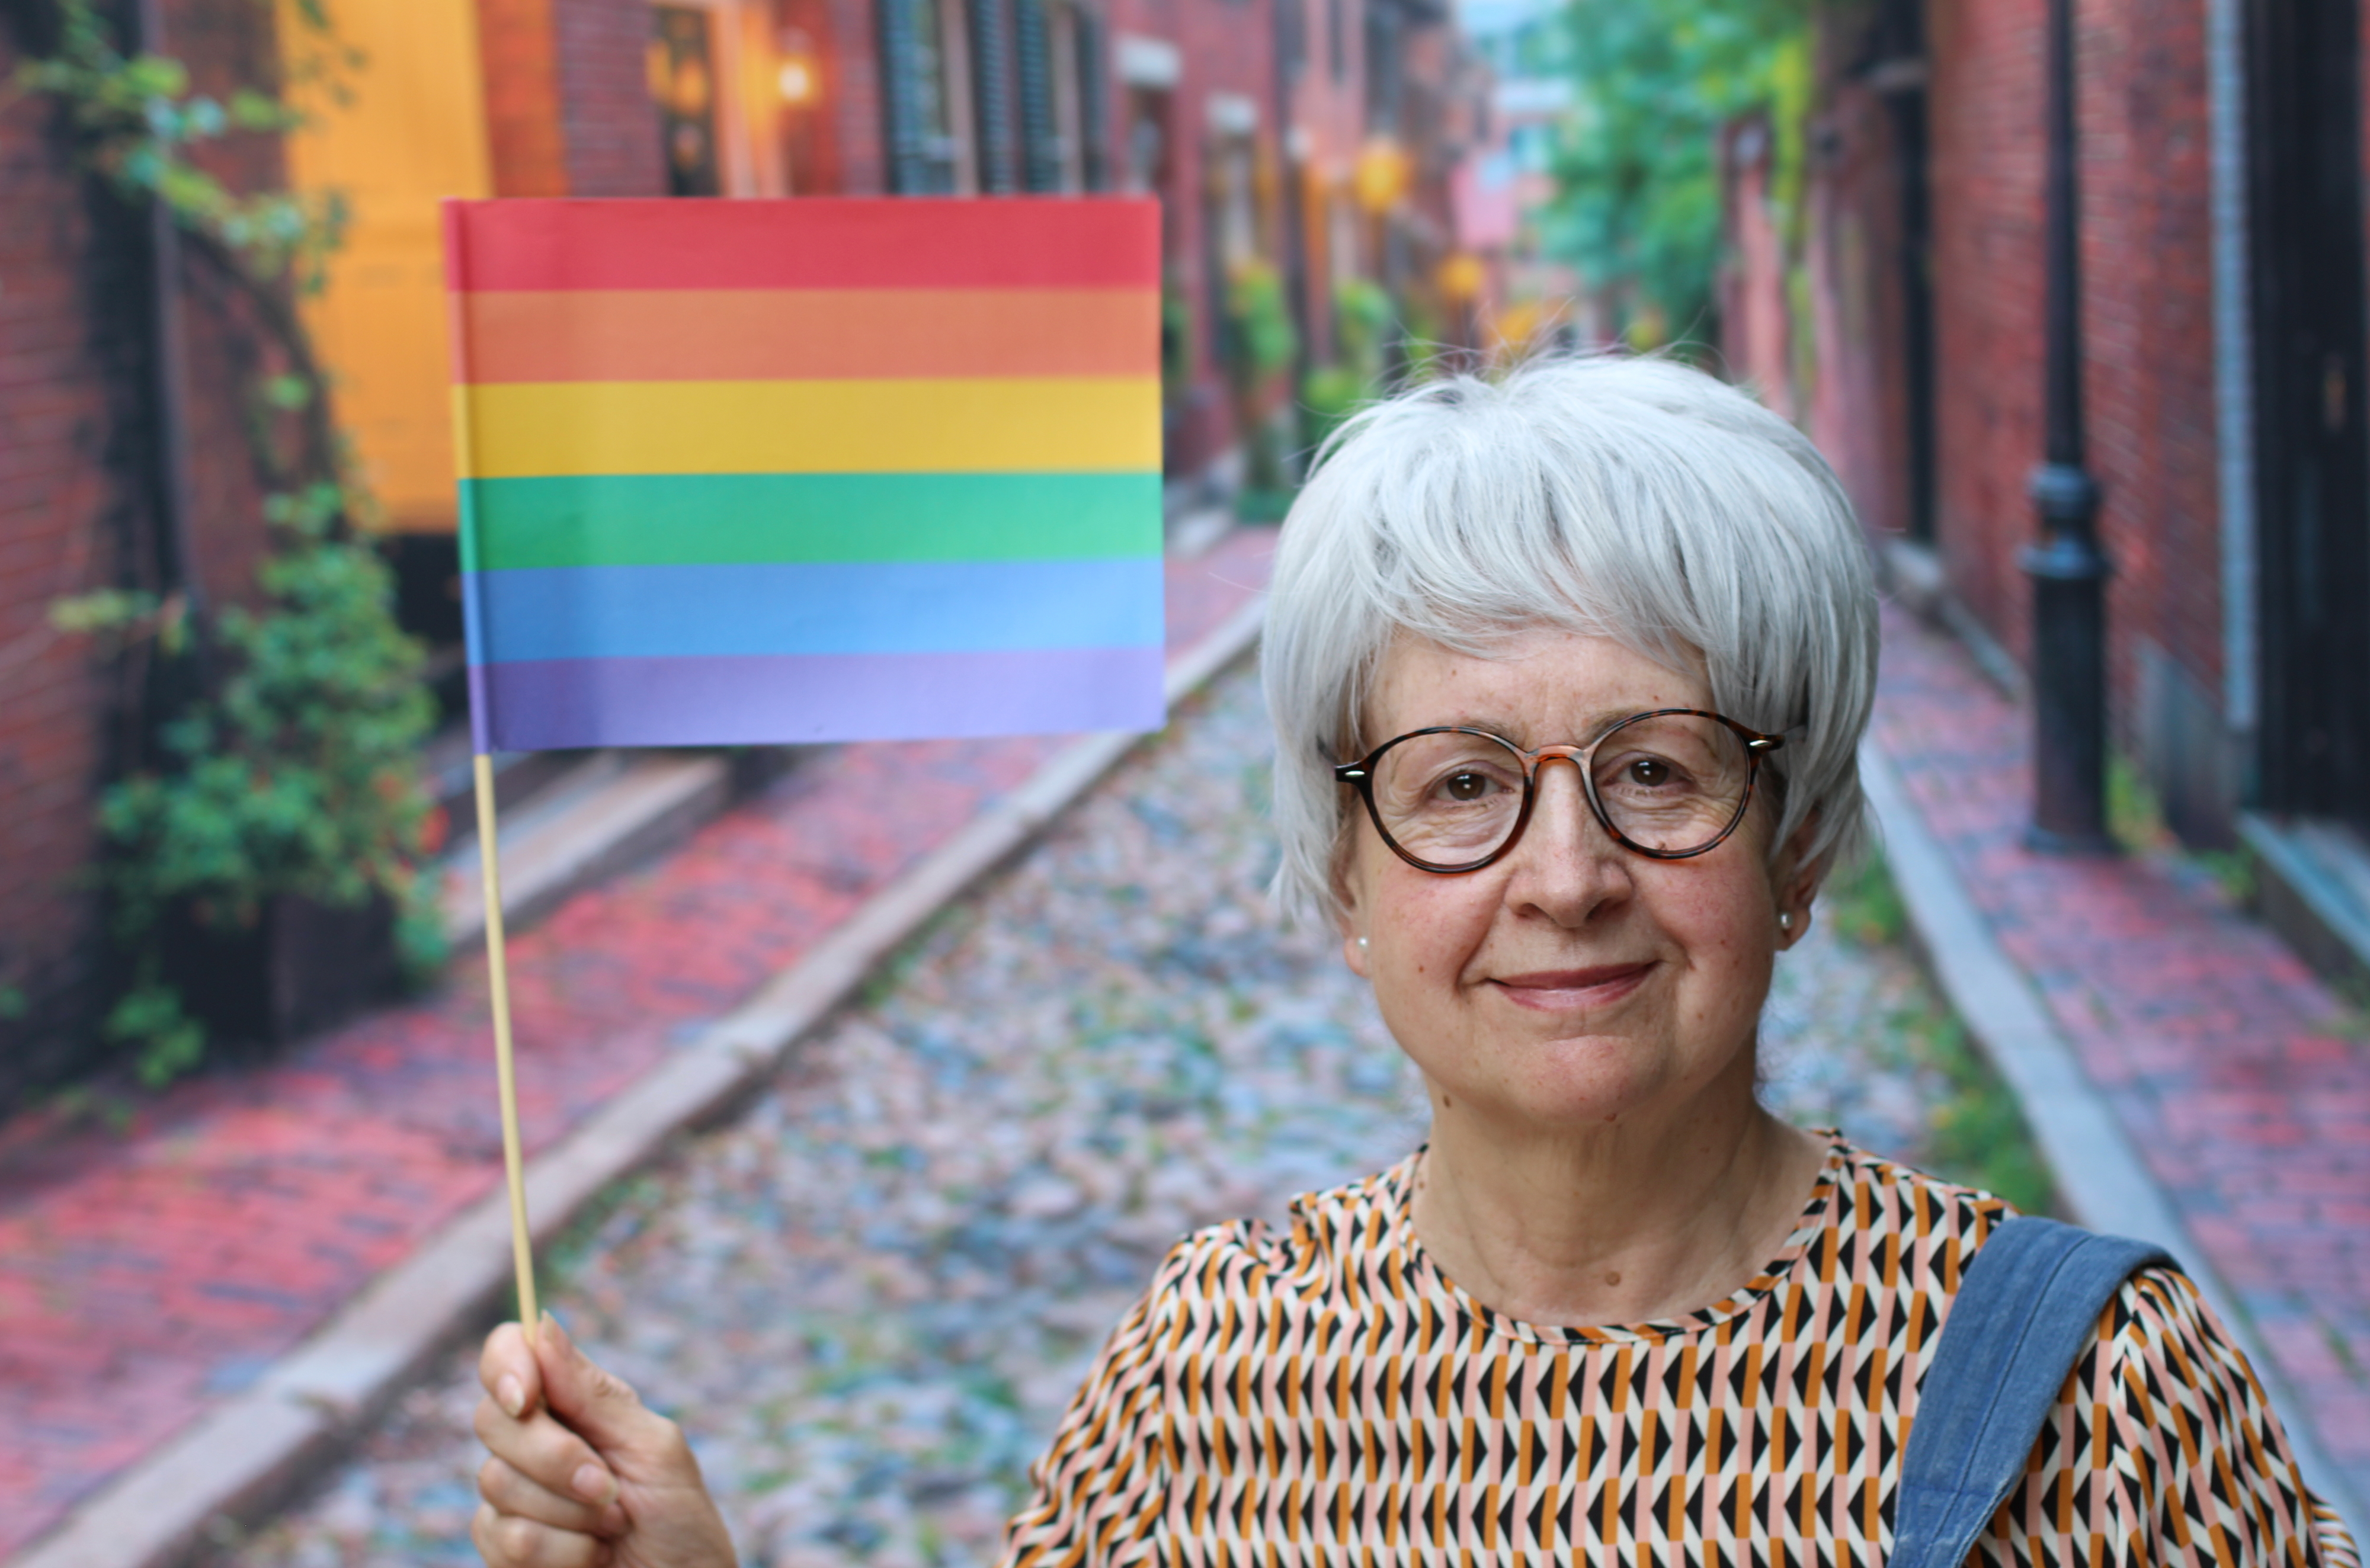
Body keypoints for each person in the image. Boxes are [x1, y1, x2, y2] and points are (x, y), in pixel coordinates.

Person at [470, 357, 2360, 1568]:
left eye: (1656, 771)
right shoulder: (1210, 1372)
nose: (1567, 875)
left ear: (1796, 852)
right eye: (1458, 785)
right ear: (1348, 879)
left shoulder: (2094, 1394)